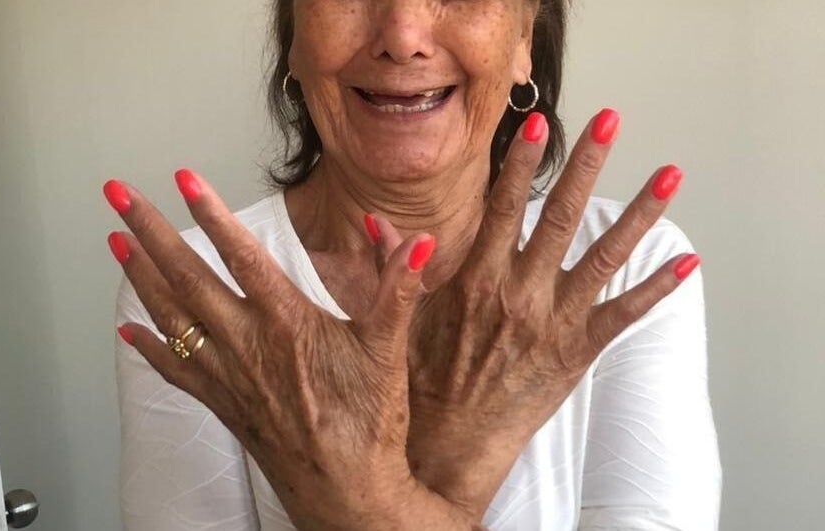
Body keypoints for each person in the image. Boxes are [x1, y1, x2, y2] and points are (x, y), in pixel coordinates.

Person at [106, 0, 722, 529]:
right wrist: (436, 479)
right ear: (293, 35)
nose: (402, 37)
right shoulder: (197, 288)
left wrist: (366, 501)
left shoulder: (628, 270)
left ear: (524, 38)